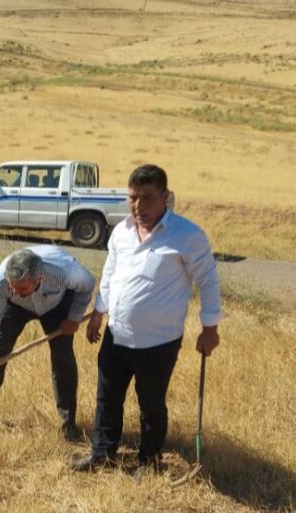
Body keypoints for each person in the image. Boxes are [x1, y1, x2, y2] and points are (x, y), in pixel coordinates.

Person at [72, 164, 221, 472]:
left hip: (159, 342)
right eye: (132, 198)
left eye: (147, 198)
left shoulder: (187, 236)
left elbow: (208, 281)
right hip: (117, 334)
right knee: (107, 399)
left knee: (151, 405)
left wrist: (210, 329)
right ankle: (102, 454)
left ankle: (149, 460)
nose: (138, 206)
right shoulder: (121, 232)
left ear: (165, 196)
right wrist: (98, 313)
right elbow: (111, 274)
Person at [0, 245, 95, 440]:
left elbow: (88, 284)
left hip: (56, 305)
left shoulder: (66, 273)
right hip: (16, 308)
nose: (16, 291)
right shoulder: (2, 279)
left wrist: (74, 317)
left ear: (40, 279)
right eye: (13, 286)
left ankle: (68, 424)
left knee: (63, 359)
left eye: (22, 288)